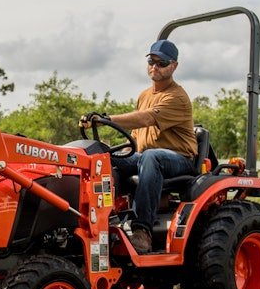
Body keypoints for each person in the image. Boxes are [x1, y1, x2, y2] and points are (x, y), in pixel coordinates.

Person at [81, 39, 197, 253]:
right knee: (102, 156)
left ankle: (142, 231)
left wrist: (104, 118)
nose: (155, 66)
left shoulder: (177, 97)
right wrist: (117, 153)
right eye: (152, 61)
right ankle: (98, 221)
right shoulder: (144, 95)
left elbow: (145, 119)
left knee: (151, 157)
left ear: (174, 66)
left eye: (162, 63)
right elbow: (136, 137)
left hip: (178, 159)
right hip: (145, 156)